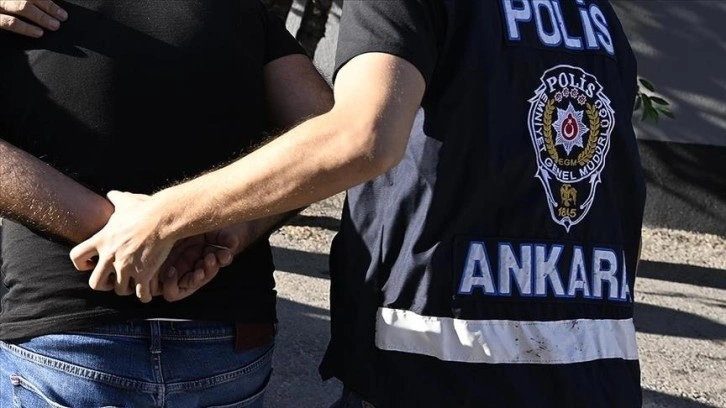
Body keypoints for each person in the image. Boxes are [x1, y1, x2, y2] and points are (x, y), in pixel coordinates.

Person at [71, 1, 646, 407]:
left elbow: (360, 136)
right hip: (594, 368)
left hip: (439, 368)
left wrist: (164, 215)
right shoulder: (594, 16)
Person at [0, 0, 333, 406]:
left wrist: (125, 235)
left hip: (64, 328)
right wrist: (227, 232)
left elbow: (328, 138)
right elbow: (325, 138)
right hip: (224, 332)